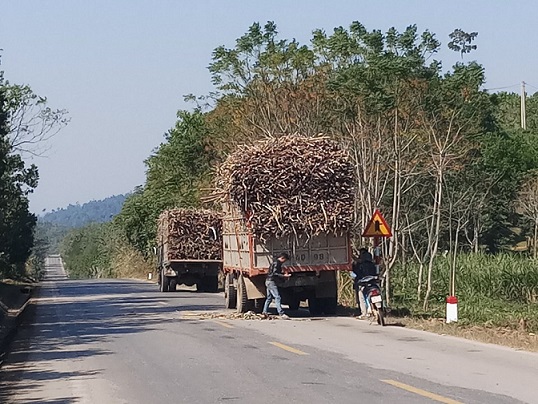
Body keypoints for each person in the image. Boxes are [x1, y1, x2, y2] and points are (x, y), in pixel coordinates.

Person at [262, 252, 291, 319]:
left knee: (269, 298)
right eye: (285, 260)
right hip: (271, 282)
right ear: (282, 258)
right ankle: (281, 313)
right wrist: (284, 276)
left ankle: (264, 312)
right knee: (277, 297)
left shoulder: (274, 262)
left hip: (268, 281)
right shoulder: (277, 263)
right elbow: (275, 273)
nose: (284, 262)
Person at [352, 248, 377, 319]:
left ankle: (364, 313)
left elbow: (356, 272)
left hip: (363, 284)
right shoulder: (373, 265)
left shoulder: (360, 265)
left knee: (361, 295)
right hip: (373, 283)